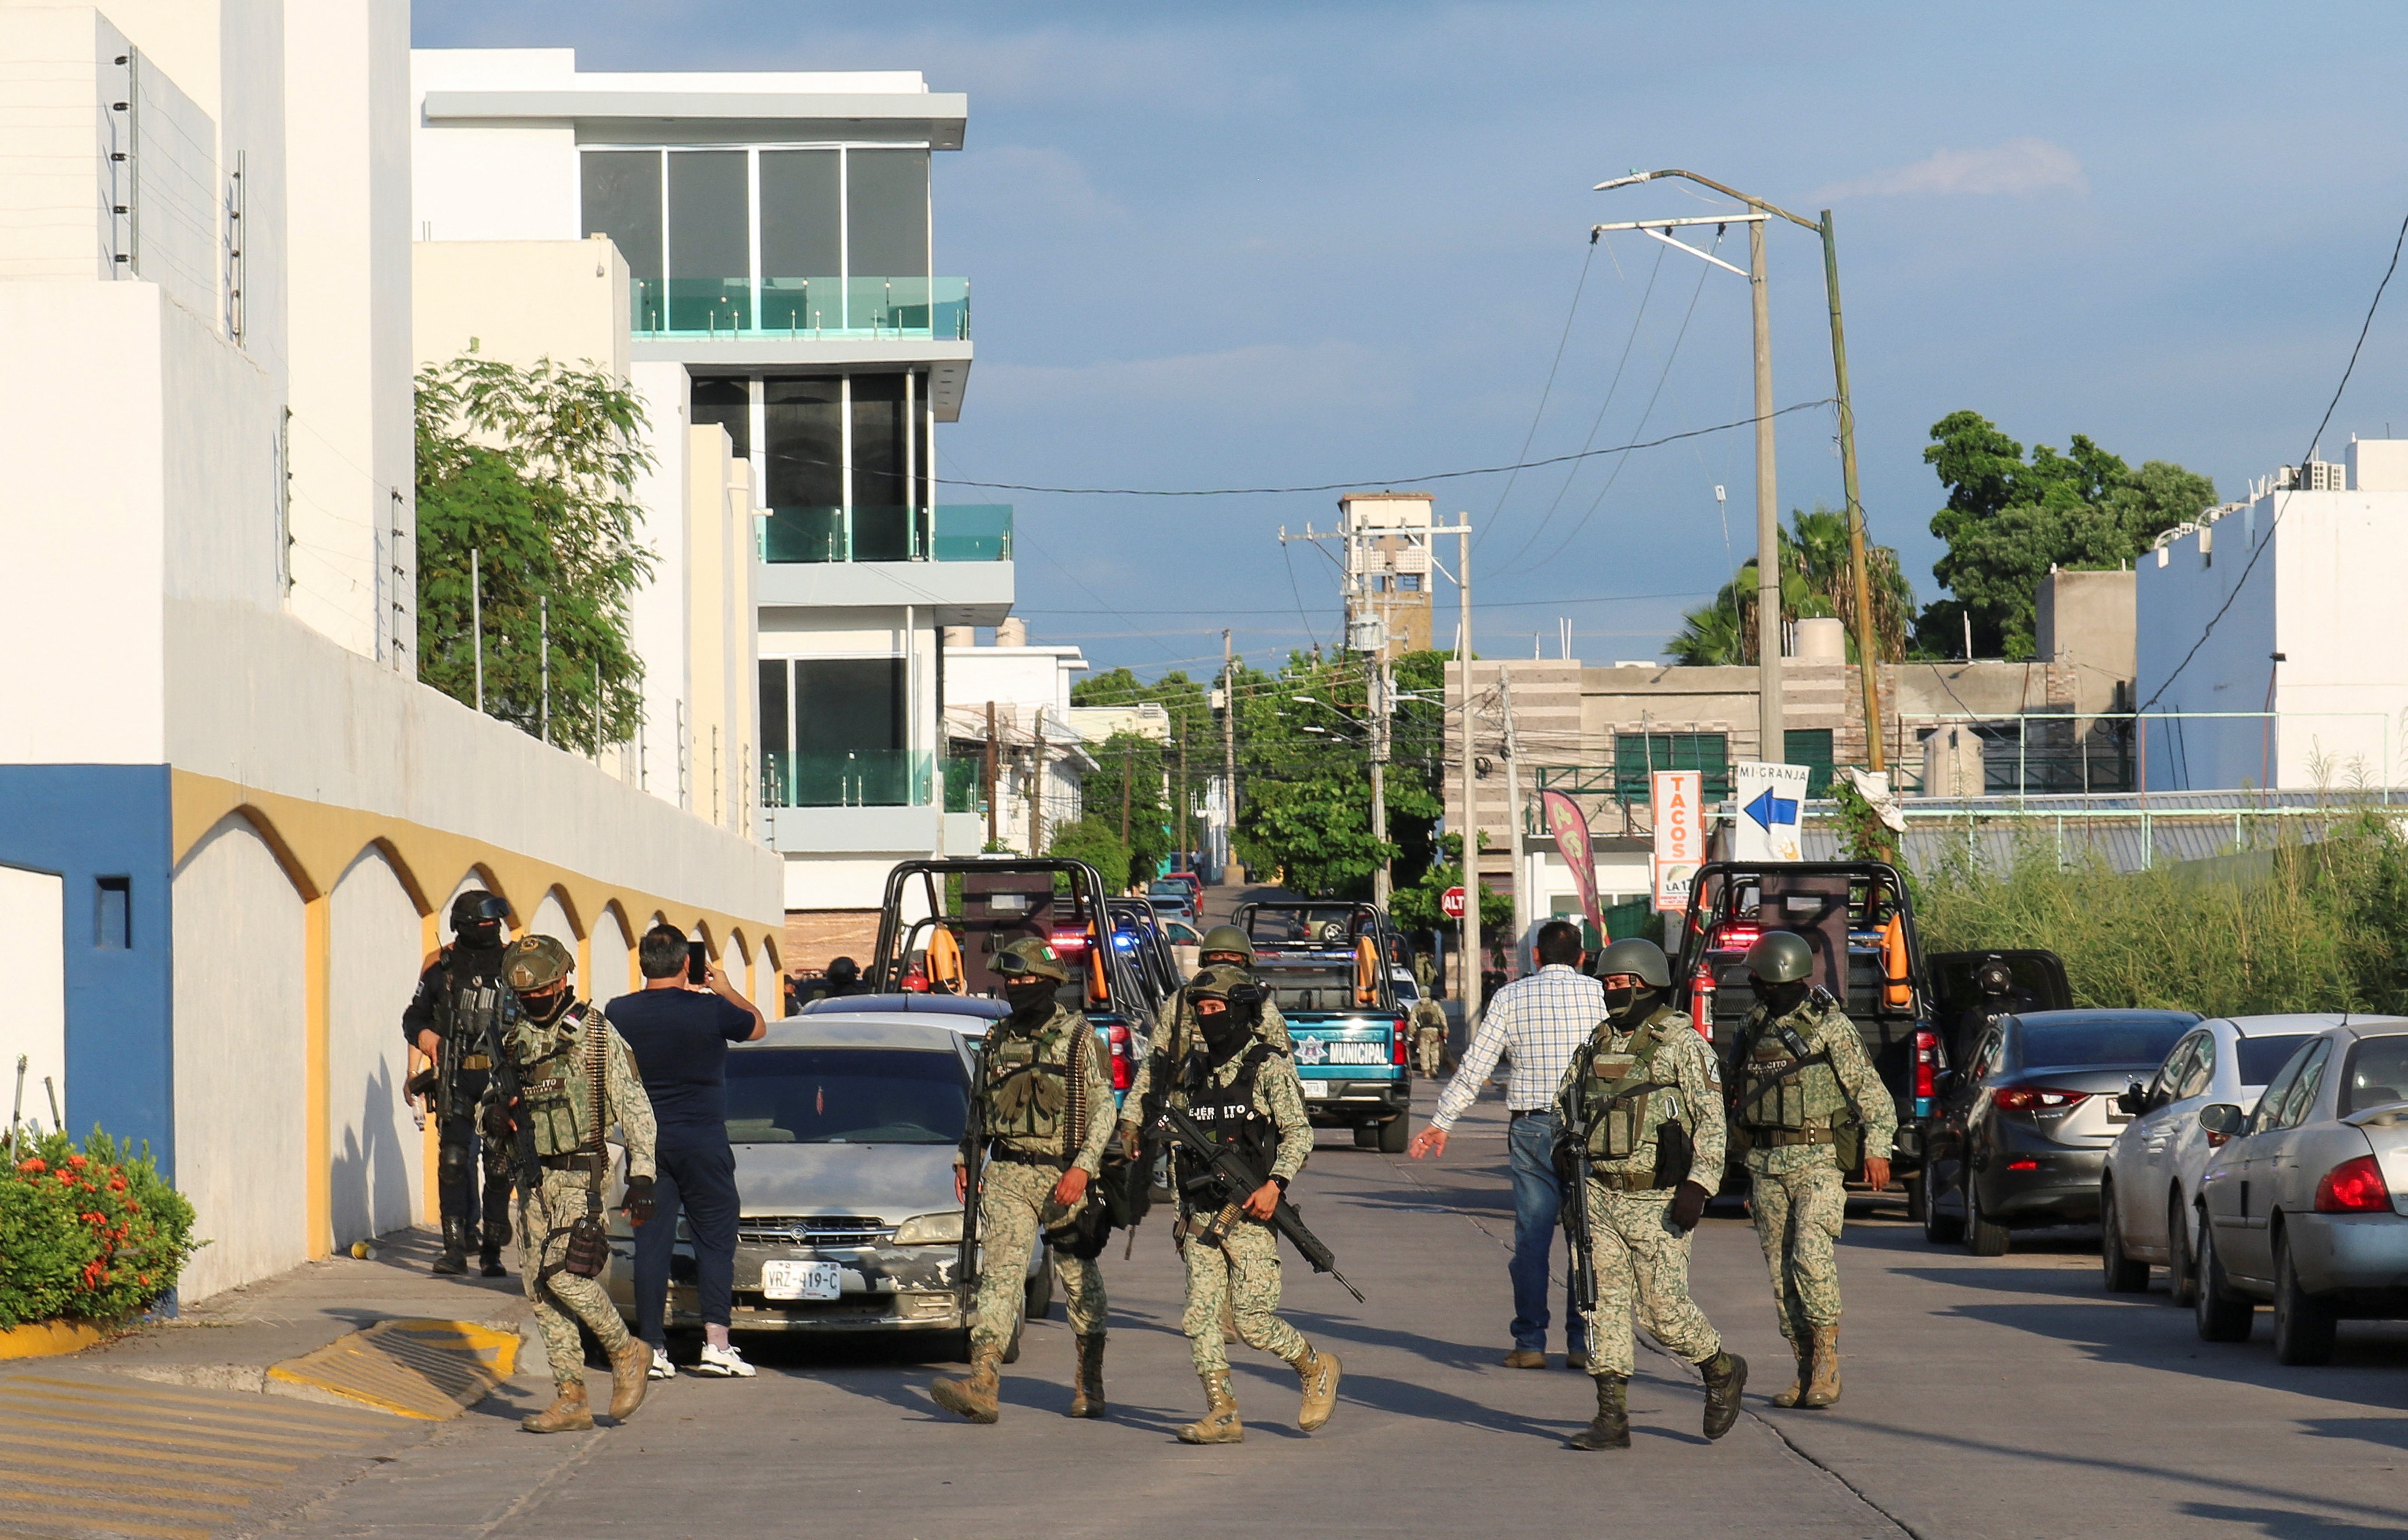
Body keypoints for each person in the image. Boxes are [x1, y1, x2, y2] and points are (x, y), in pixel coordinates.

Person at [1553, 937, 1745, 1451]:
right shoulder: (1597, 1042)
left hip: (1657, 1200)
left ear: (1645, 983)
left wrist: (1700, 1184)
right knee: (1601, 1304)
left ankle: (1720, 1368)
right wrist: (1560, 1145)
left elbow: (1712, 1120)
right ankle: (1611, 1416)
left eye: (1619, 984)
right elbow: (1565, 1101)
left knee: (1664, 1312)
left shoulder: (1683, 1044)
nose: (1610, 993)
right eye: (1605, 985)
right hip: (1597, 1193)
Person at [1147, 966, 1341, 1444]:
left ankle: (1315, 1365)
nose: (1206, 1018)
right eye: (1200, 1010)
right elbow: (1177, 1145)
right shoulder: (1192, 1071)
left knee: (1253, 1319)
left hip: (1251, 1209)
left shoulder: (1266, 1065)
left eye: (1215, 1009)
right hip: (1201, 1215)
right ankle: (1223, 1410)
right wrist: (1180, 1211)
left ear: (1237, 1011)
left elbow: (1300, 1132)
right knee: (1201, 1315)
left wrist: (1276, 1183)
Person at [929, 938, 1116, 1424]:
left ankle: (1089, 1379)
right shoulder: (995, 1040)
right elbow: (981, 1106)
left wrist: (1084, 1167)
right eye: (1010, 981)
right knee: (1000, 1276)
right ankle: (983, 1380)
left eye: (1027, 980)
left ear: (1050, 982)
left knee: (1080, 1282)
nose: (1017, 988)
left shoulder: (1079, 1037)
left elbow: (1104, 1109)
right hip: (1009, 1172)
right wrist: (966, 1157)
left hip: (1065, 1175)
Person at [481, 935, 658, 1434]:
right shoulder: (514, 1040)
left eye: (541, 989)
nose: (534, 999)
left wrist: (643, 1174)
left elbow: (636, 1107)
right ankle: (572, 1397)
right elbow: (490, 1105)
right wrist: (492, 1116)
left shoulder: (597, 1034)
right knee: (540, 1287)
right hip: (534, 1176)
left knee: (565, 1272)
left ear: (562, 980)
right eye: (524, 994)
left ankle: (627, 1350)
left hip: (583, 1175)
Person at [1407, 919, 1602, 1369]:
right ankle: (1583, 1341)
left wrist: (1442, 1121)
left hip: (1532, 1129)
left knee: (1532, 1239)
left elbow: (1476, 1065)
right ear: (1581, 956)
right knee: (1586, 1236)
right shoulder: (1599, 996)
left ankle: (1531, 1342)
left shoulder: (1511, 996)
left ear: (1535, 956)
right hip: (1589, 1129)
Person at [1729, 930, 1897, 1410]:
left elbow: (1871, 1092)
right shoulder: (1753, 1024)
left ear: (1776, 974)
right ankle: (1804, 1369)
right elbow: (1737, 1099)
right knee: (1781, 1275)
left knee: (1809, 1252)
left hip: (1818, 1158)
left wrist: (1877, 1148)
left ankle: (1828, 1362)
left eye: (1758, 975)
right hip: (1765, 1164)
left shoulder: (1829, 1025)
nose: (1754, 983)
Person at [606, 926, 767, 1380]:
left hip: (645, 1145)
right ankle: (716, 1343)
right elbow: (757, 1026)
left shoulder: (619, 1011)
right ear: (686, 964)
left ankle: (653, 1349)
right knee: (714, 1240)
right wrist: (726, 987)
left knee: (650, 1244)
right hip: (702, 1141)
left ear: (643, 964)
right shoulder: (711, 1008)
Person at [400, 891, 518, 1277]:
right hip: (456, 1076)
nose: (493, 930)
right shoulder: (442, 969)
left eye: (495, 924)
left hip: (501, 1079)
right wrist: (425, 1037)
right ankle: (453, 1249)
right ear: (465, 926)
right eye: (486, 924)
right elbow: (413, 1017)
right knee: (453, 1162)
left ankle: (492, 1252)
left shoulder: (516, 967)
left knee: (499, 1167)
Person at [1124, 925, 1292, 1116]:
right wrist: (1132, 1116)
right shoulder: (1180, 1004)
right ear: (1205, 960)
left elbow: (1285, 1070)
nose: (1224, 962)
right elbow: (1152, 1064)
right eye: (1217, 956)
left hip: (1245, 1112)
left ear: (1244, 961)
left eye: (1232, 956)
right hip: (1184, 1112)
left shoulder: (1261, 1008)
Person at [1410, 988, 1450, 1076]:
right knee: (1435, 1050)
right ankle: (1435, 1068)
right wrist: (1445, 1030)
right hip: (1435, 1031)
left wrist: (1411, 1033)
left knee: (1424, 1051)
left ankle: (1426, 1072)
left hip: (1423, 1031)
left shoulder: (1417, 1006)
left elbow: (1412, 1020)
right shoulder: (1436, 1005)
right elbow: (1443, 1018)